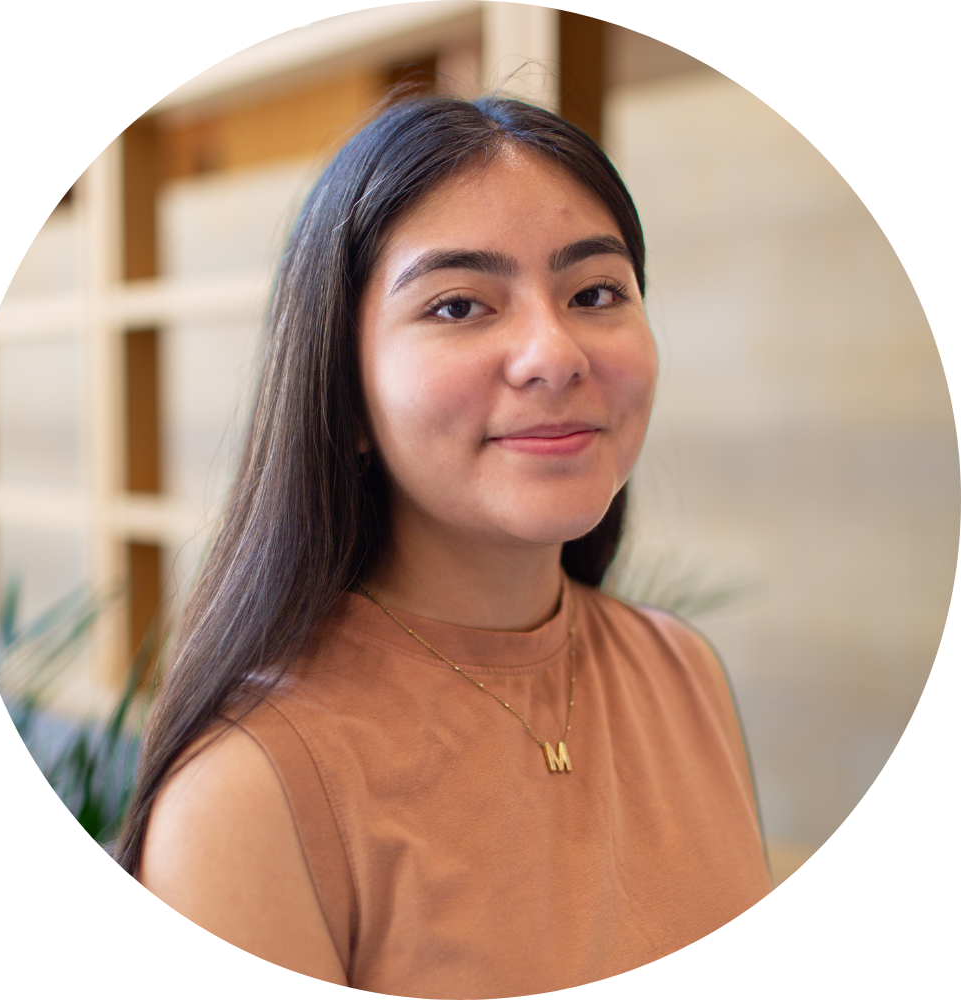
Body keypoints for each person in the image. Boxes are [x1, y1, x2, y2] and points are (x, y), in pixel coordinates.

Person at [116, 94, 771, 997]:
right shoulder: (247, 794)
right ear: (343, 394)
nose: (554, 353)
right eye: (460, 305)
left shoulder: (682, 670)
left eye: (595, 293)